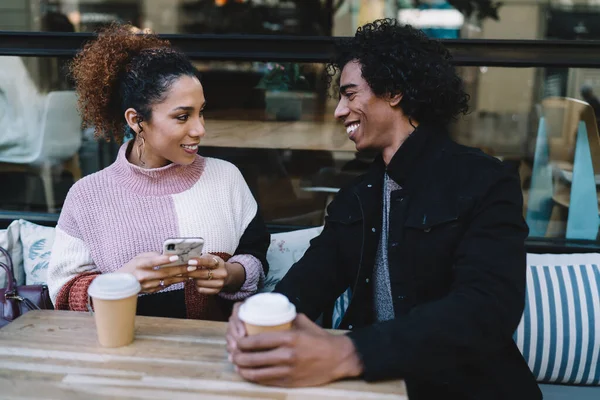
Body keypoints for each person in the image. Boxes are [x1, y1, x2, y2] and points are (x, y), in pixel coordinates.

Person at [227, 19, 541, 399]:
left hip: (468, 387)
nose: (340, 111)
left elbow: (486, 308)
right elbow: (309, 280)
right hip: (375, 388)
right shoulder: (359, 195)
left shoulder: (485, 181)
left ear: (393, 91)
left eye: (350, 94)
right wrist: (254, 316)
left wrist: (349, 351)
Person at [47, 24, 270, 321]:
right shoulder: (86, 196)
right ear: (137, 120)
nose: (200, 129)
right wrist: (120, 283)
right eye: (182, 116)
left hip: (213, 356)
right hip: (121, 355)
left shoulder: (226, 178)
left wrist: (230, 274)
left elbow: (256, 255)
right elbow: (63, 292)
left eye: (201, 112)